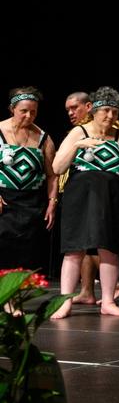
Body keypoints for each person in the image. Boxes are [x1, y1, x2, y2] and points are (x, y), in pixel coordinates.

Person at [52, 86, 119, 318]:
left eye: (115, 112)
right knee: (74, 250)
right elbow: (57, 167)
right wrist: (77, 146)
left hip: (111, 198)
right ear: (95, 111)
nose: (110, 116)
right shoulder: (79, 132)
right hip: (80, 197)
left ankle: (108, 301)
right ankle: (66, 302)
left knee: (109, 249)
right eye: (106, 111)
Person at [0, 87, 58, 270]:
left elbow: (52, 175)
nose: (28, 116)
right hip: (4, 201)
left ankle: (19, 296)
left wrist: (52, 203)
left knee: (27, 252)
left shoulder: (44, 139)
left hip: (32, 204)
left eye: (33, 112)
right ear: (12, 109)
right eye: (23, 111)